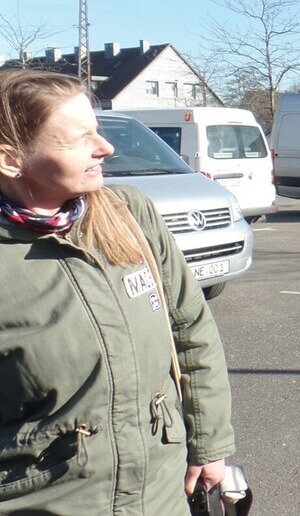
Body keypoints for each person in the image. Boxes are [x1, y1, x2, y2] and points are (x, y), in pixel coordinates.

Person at [0, 70, 235, 515]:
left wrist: (209, 443)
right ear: (11, 160)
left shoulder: (131, 215)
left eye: (98, 130)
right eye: (77, 139)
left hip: (163, 492)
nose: (105, 148)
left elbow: (190, 330)